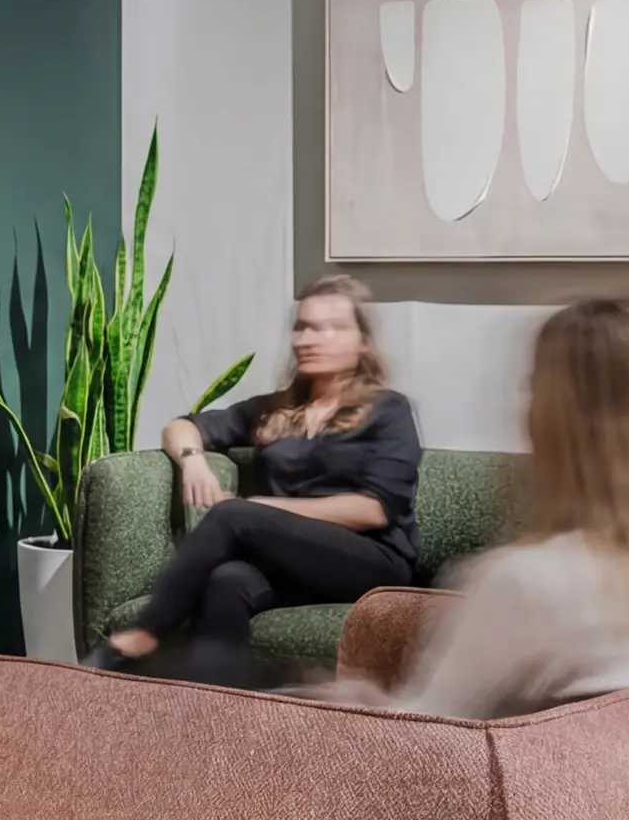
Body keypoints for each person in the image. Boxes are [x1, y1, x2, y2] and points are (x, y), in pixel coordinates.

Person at [371, 299, 629, 718]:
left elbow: (423, 730)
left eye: (533, 387)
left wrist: (340, 714)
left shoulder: (526, 582)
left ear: (553, 419)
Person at [81, 275, 421, 681]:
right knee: (226, 580)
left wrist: (259, 510)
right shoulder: (275, 410)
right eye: (304, 326)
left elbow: (375, 509)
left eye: (331, 327)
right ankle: (215, 715)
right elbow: (180, 427)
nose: (310, 339)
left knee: (233, 516)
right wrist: (193, 461)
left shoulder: (388, 410)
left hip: (372, 562)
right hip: (293, 565)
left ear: (363, 341)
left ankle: (145, 634)